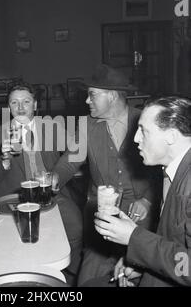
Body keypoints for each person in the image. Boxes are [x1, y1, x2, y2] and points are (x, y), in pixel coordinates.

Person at [52, 64, 161, 285]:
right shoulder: (86, 127)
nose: (86, 101)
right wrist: (54, 178)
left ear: (111, 96)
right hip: (101, 217)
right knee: (86, 281)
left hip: (141, 220)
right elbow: (70, 162)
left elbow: (164, 170)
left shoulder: (145, 122)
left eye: (92, 95)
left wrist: (148, 200)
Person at [0, 82, 83, 285]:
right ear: (8, 107)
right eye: (14, 102)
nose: (20, 108)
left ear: (35, 104)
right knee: (16, 244)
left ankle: (68, 274)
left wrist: (58, 174)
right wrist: (4, 159)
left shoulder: (53, 127)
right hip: (12, 197)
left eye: (26, 102)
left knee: (75, 224)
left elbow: (77, 151)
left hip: (50, 195)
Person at [94, 96, 191, 287]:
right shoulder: (171, 170)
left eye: (144, 131)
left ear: (171, 136)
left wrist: (133, 237)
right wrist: (141, 263)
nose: (136, 139)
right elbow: (173, 243)